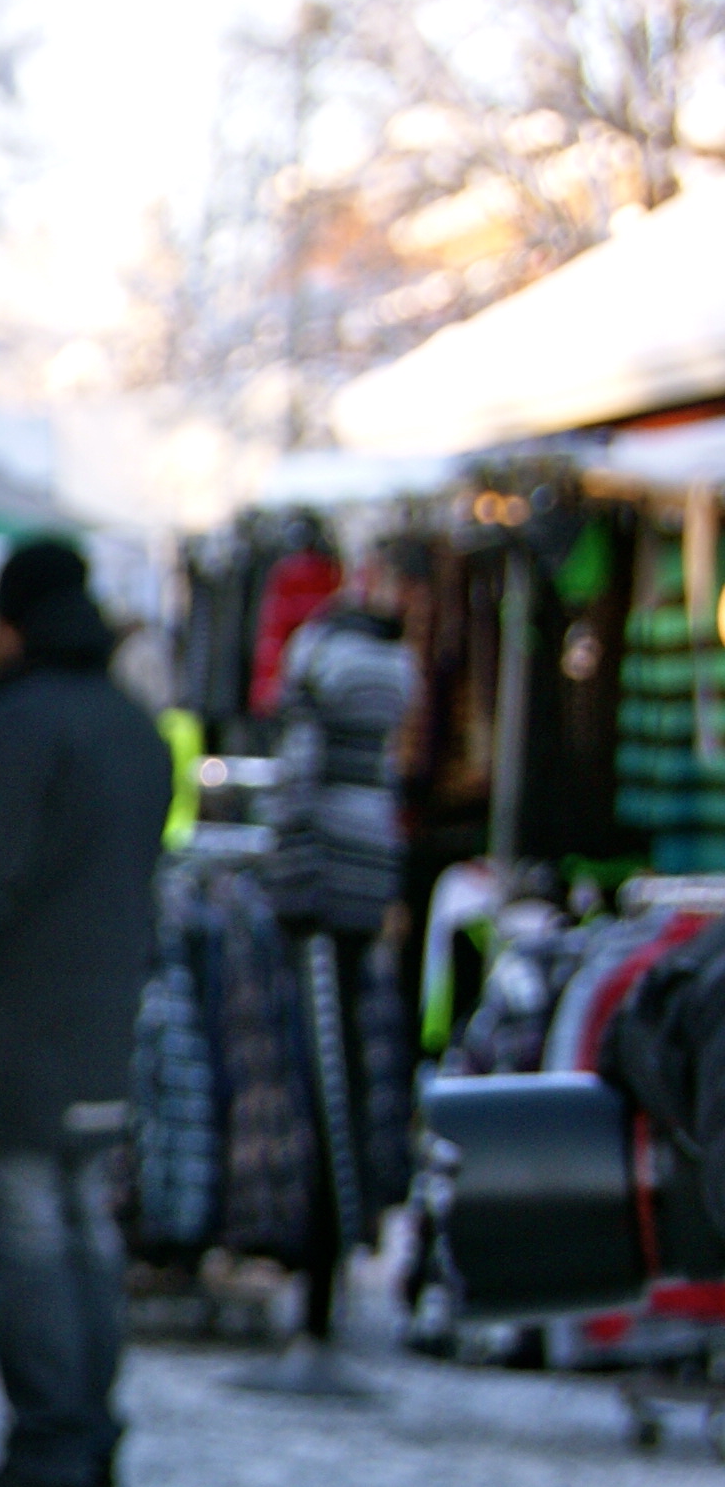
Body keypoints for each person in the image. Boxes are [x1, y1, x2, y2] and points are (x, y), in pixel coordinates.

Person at [0, 537, 170, 1487]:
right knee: (78, 1235)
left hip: (4, 1035)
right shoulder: (130, 726)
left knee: (21, 1243)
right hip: (97, 1020)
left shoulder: (20, 727)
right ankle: (86, 1435)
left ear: (10, 624)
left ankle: (50, 1443)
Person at [239, 542, 418, 1392]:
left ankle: (324, 1287)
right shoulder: (378, 660)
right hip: (348, 874)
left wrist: (287, 870)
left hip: (327, 887)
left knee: (330, 1087)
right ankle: (324, 1275)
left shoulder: (345, 657)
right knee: (336, 1079)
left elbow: (310, 750)